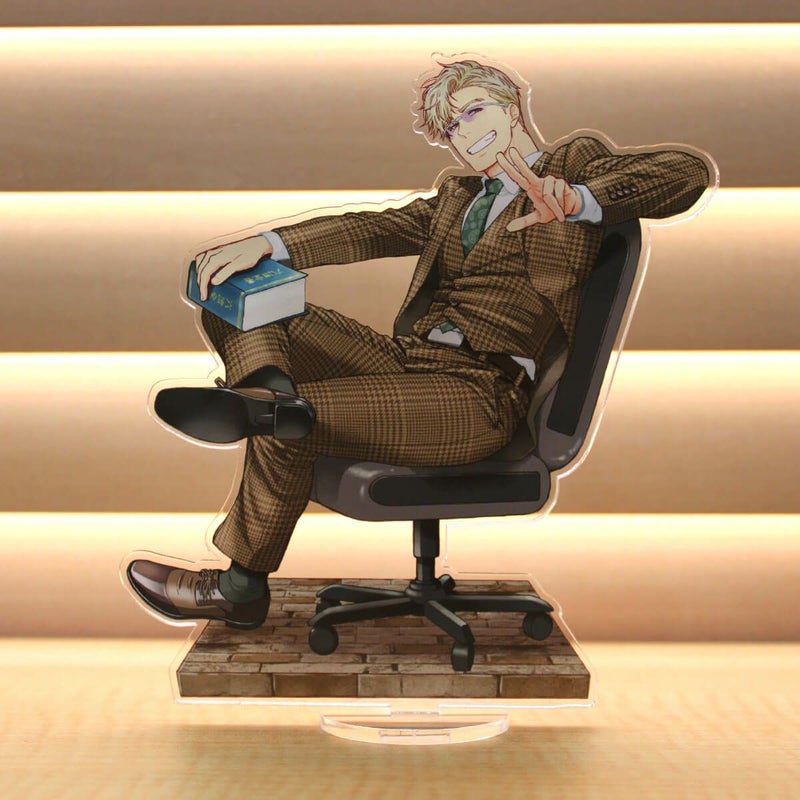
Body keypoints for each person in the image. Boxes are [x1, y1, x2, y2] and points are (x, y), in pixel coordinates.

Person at [127, 58, 711, 629]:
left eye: (474, 111)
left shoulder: (573, 163)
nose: (465, 134)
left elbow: (684, 173)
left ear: (511, 105)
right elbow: (370, 228)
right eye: (451, 127)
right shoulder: (458, 198)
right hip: (409, 362)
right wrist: (268, 244)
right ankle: (265, 393)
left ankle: (239, 587)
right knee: (241, 298)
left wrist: (579, 200)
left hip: (480, 393)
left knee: (286, 423)